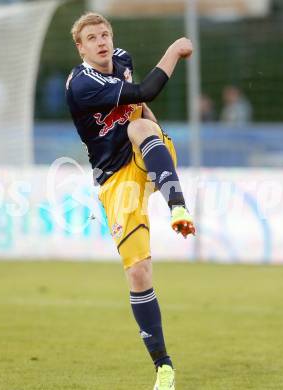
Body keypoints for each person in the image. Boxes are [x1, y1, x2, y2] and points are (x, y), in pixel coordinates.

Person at [66, 12, 196, 390]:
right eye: (92, 37)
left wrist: (156, 131)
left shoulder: (121, 59)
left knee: (139, 125)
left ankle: (178, 206)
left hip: (147, 153)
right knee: (138, 274)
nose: (101, 41)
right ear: (81, 47)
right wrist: (173, 50)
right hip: (115, 180)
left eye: (104, 33)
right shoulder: (82, 85)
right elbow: (146, 91)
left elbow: (140, 109)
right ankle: (164, 367)